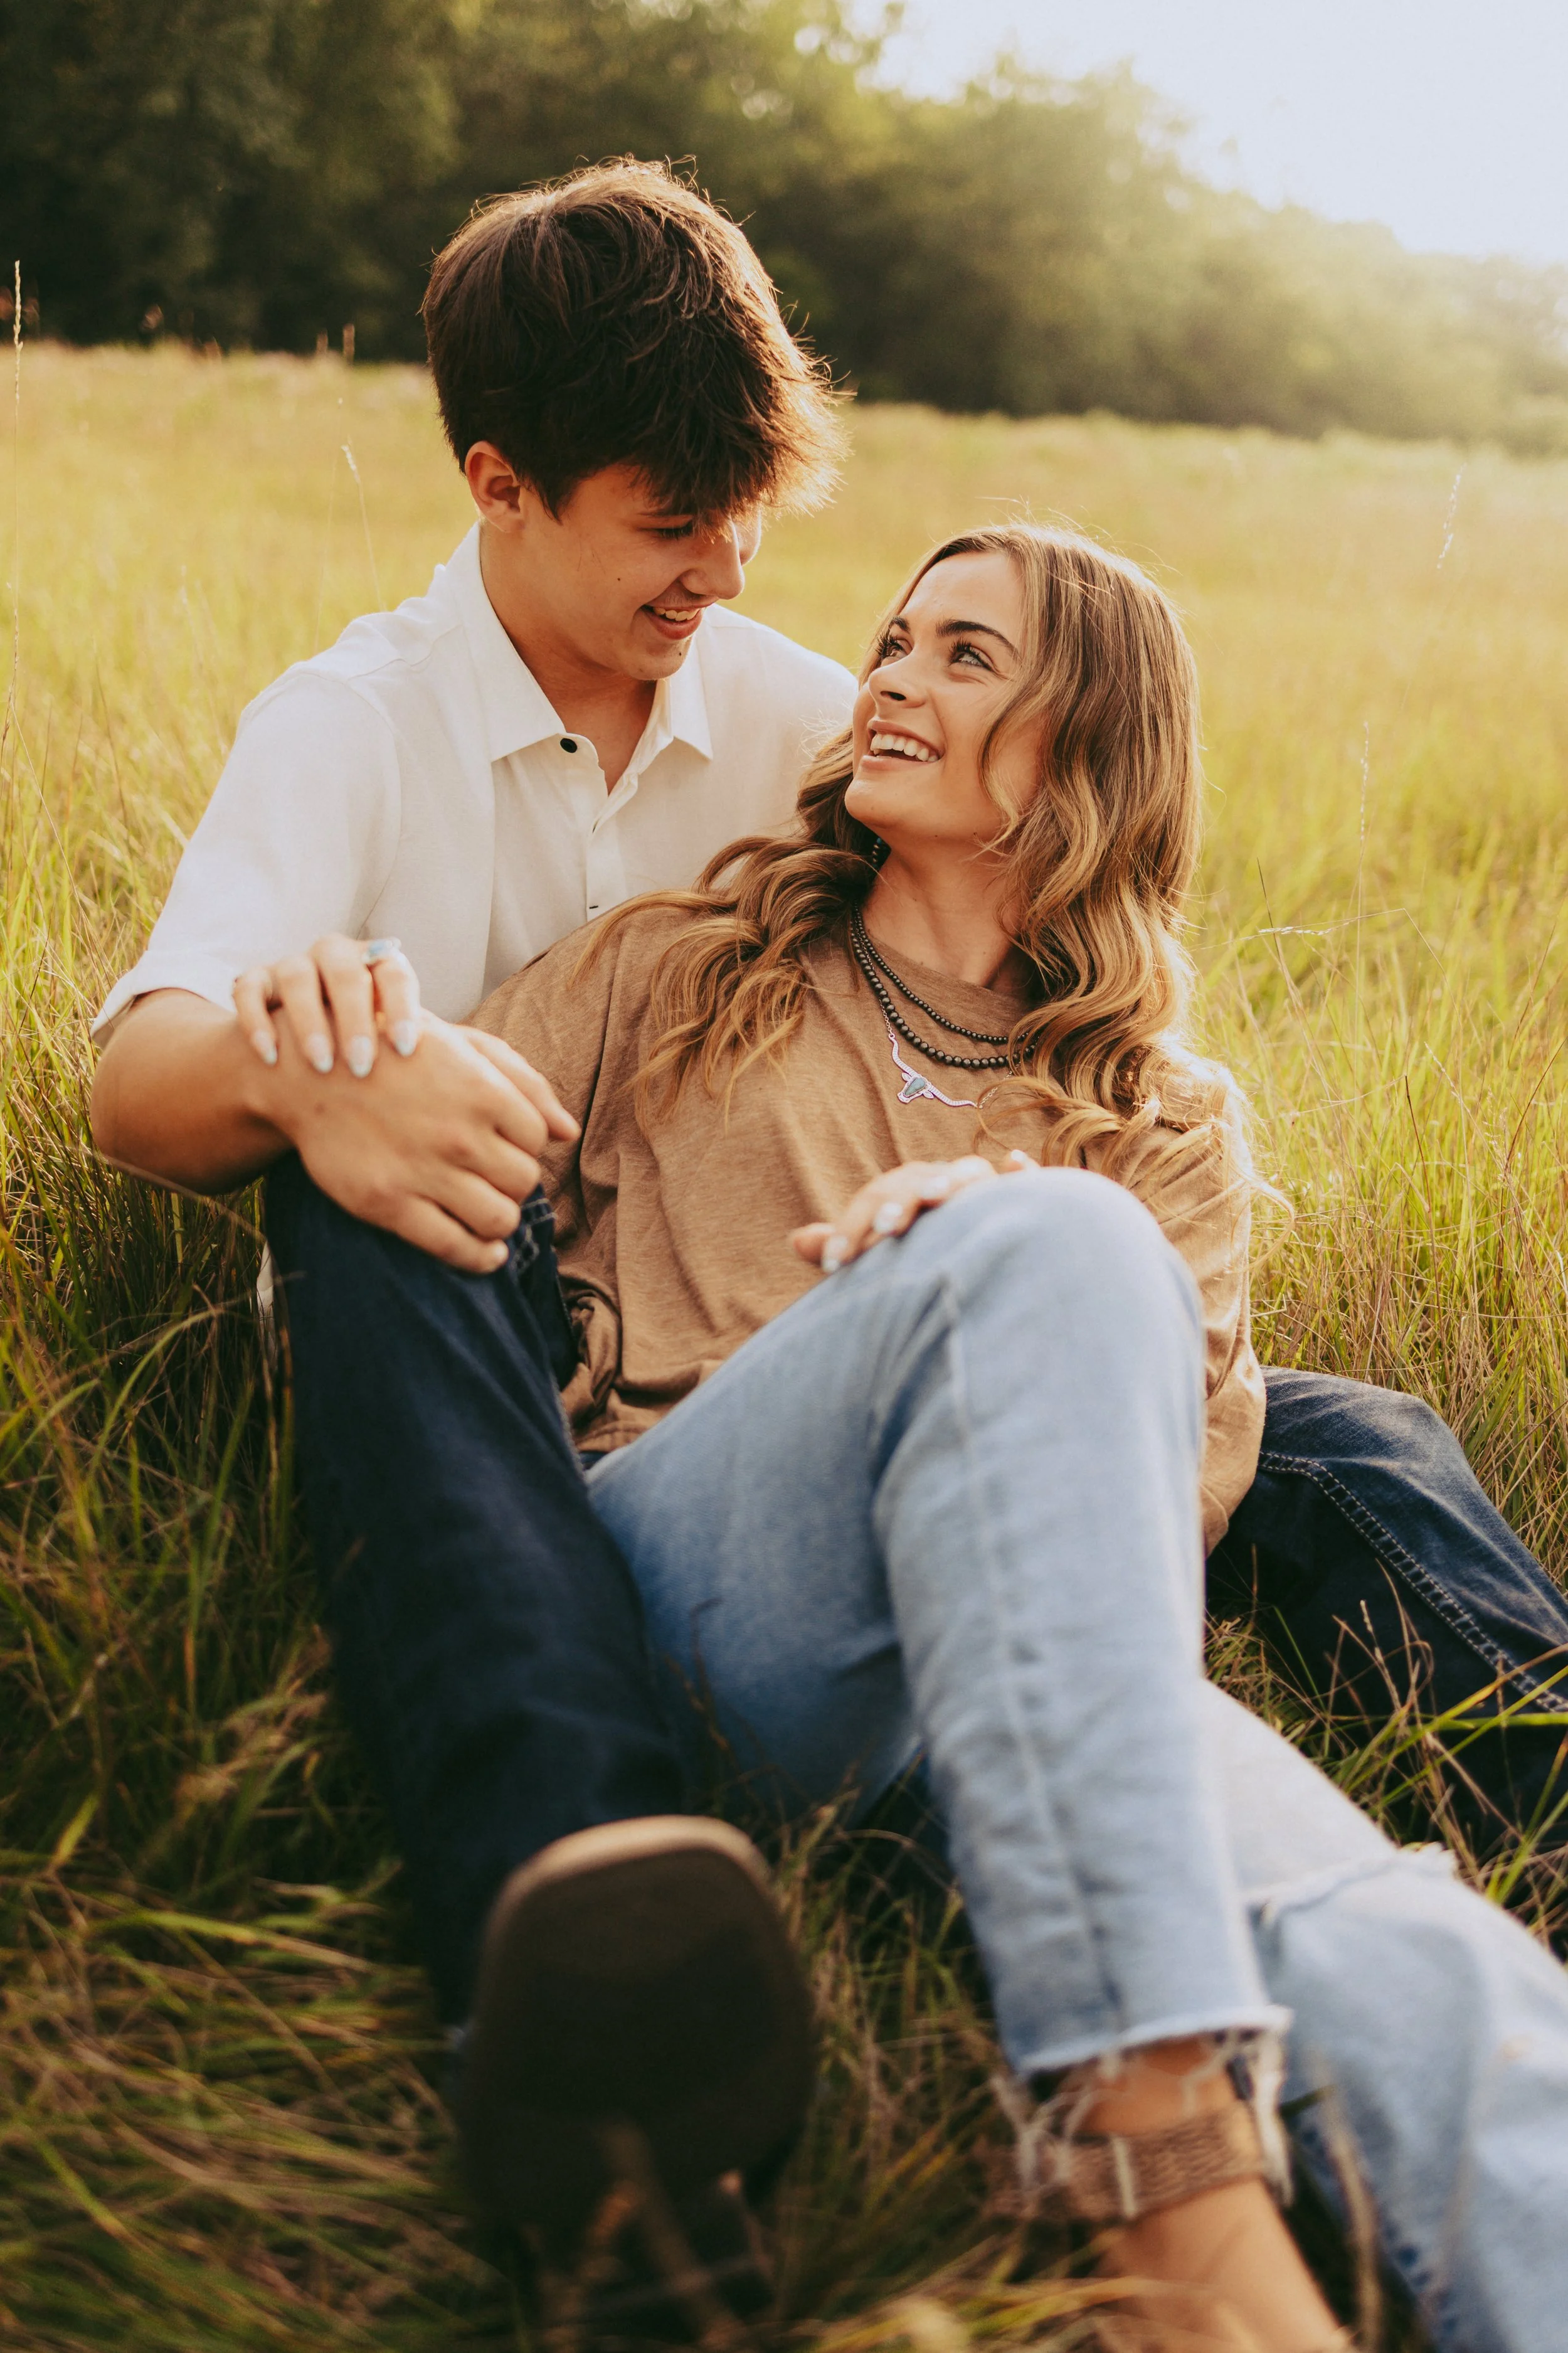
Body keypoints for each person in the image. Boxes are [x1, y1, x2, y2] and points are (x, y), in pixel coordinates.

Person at [88, 162, 1568, 2313]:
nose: (794, 619)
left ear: (1071, 763)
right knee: (1001, 1261)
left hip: (1011, 1569)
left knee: (1434, 1955)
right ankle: (1107, 2156)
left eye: (943, 651)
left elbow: (1165, 1476)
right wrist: (316, 1072)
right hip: (653, 1506)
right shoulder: (613, 911)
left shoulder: (1124, 1077)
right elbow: (165, 1076)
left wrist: (1020, 1247)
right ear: (502, 487)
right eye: (671, 522)